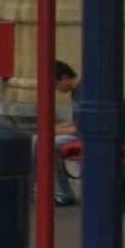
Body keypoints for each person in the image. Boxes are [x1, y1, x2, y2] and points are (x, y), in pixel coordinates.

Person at [38, 60, 80, 206]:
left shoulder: (82, 94)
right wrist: (54, 128)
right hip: (79, 133)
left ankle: (62, 191)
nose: (57, 89)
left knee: (43, 143)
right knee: (39, 139)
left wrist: (54, 131)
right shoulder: (76, 93)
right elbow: (76, 122)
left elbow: (81, 127)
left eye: (56, 84)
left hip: (84, 137)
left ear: (65, 78)